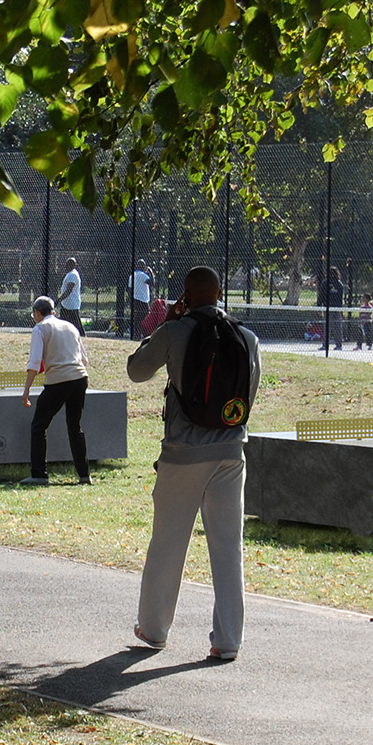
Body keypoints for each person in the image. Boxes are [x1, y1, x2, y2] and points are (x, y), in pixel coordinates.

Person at [127, 266, 260, 660]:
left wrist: (165, 324)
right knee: (227, 547)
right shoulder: (247, 337)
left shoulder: (175, 330)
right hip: (231, 453)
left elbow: (136, 371)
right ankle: (228, 640)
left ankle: (154, 630)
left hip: (183, 454)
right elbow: (248, 396)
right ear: (220, 292)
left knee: (168, 542)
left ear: (183, 295)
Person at [19, 296, 89, 486]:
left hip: (59, 380)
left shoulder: (40, 328)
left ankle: (39, 474)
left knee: (39, 426)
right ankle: (84, 474)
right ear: (54, 312)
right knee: (75, 426)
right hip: (80, 378)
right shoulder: (71, 326)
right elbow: (84, 359)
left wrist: (26, 390)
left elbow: (34, 363)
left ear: (36, 314)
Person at [57, 257, 85, 336]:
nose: (66, 266)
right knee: (63, 323)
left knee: (76, 324)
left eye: (68, 264)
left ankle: (82, 336)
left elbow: (69, 290)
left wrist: (59, 300)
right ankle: (61, 336)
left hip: (71, 304)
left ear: (72, 265)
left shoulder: (72, 274)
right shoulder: (71, 274)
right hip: (67, 304)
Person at [318, 267, 344, 349]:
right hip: (336, 308)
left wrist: (319, 307)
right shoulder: (339, 284)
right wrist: (340, 309)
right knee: (337, 327)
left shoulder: (325, 283)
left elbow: (321, 296)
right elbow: (340, 299)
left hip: (328, 307)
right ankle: (338, 345)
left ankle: (325, 345)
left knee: (327, 327)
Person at [130, 260, 154, 339]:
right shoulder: (144, 275)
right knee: (145, 318)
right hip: (143, 300)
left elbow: (130, 287)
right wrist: (151, 273)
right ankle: (144, 334)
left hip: (134, 299)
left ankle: (136, 334)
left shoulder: (132, 275)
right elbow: (152, 283)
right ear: (143, 267)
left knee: (136, 318)